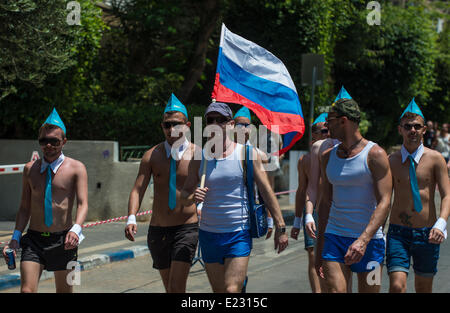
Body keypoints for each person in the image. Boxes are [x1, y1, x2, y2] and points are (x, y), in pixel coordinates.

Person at [181, 101, 288, 293]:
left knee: (232, 290)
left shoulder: (246, 153)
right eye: (211, 119)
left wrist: (280, 226)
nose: (215, 123)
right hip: (208, 234)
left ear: (231, 124)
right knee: (220, 291)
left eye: (220, 120)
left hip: (238, 233)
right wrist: (192, 195)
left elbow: (266, 190)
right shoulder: (201, 157)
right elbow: (184, 193)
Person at [2, 108, 88, 293]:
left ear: (64, 141)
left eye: (54, 141)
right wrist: (15, 238)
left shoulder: (77, 168)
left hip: (65, 241)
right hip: (34, 240)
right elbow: (24, 208)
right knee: (26, 290)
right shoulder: (29, 169)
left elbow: (83, 203)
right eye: (44, 141)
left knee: (65, 292)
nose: (48, 145)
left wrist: (76, 229)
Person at [315, 98, 393, 293]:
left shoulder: (375, 155)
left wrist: (363, 240)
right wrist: (319, 249)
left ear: (343, 121)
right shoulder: (327, 157)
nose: (326, 125)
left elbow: (385, 201)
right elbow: (325, 203)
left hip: (371, 243)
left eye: (329, 119)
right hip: (335, 239)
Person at [124, 94, 200, 293]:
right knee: (170, 288)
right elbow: (138, 188)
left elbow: (209, 186)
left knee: (176, 287)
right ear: (162, 126)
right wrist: (131, 217)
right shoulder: (152, 155)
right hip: (158, 231)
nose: (172, 129)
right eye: (167, 125)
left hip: (187, 228)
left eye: (177, 124)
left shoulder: (198, 154)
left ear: (188, 125)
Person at [386, 100, 450, 293]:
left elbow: (447, 195)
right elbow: (383, 199)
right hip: (398, 233)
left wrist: (441, 222)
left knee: (423, 288)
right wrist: (378, 231)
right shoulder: (391, 160)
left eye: (417, 126)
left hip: (427, 234)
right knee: (397, 287)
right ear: (400, 130)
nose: (412, 130)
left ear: (424, 130)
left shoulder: (435, 159)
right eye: (408, 126)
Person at [291, 112, 329, 293]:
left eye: (328, 130)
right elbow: (301, 191)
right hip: (313, 212)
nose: (326, 134)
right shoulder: (304, 160)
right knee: (313, 254)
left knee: (331, 257)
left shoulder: (338, 155)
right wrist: (298, 221)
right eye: (322, 131)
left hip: (332, 212)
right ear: (313, 134)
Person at [233, 106, 274, 239]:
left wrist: (270, 219)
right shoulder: (221, 153)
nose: (243, 129)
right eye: (239, 125)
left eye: (246, 125)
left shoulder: (259, 155)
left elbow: (266, 190)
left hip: (247, 213)